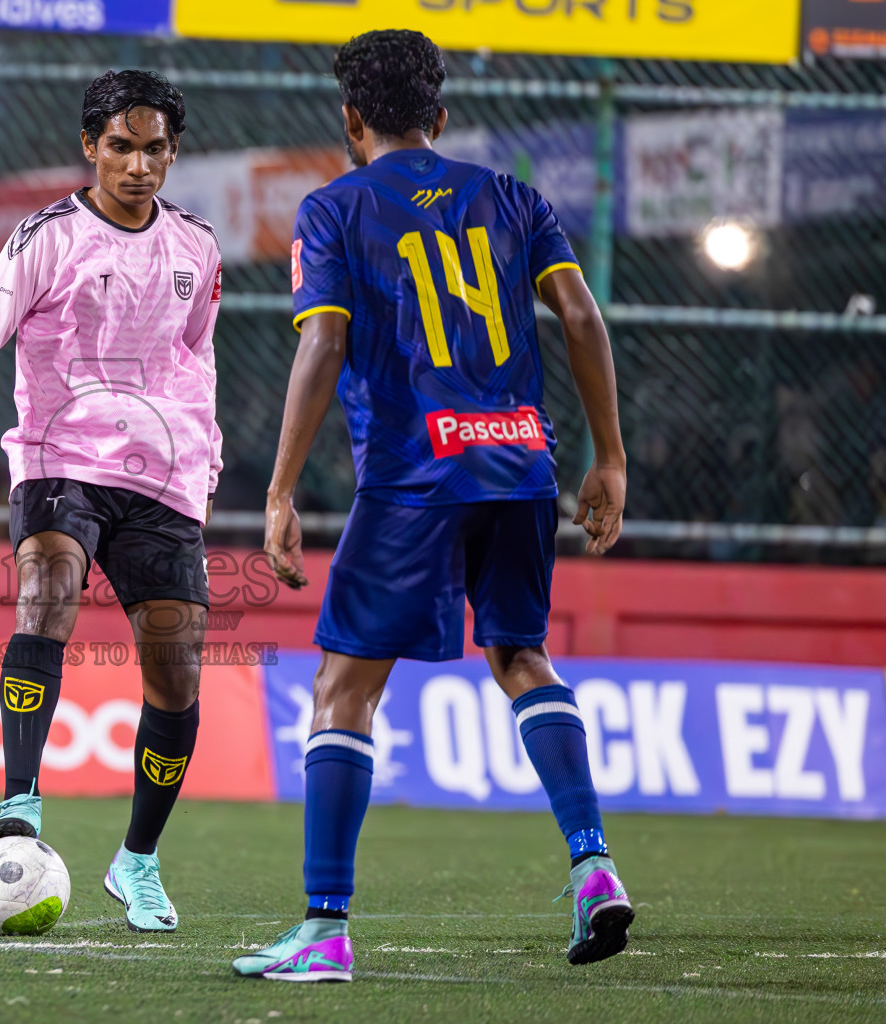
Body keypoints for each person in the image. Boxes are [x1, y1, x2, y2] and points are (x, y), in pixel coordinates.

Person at [232, 30, 632, 982]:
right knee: (521, 655)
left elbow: (322, 345)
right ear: (441, 117)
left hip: (415, 476)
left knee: (343, 689)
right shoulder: (513, 196)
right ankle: (594, 868)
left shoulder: (332, 208)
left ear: (351, 120)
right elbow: (580, 314)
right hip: (522, 467)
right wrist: (608, 458)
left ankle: (325, 930)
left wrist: (281, 489)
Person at [0, 70, 223, 933]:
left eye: (154, 148)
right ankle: (20, 802)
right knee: (48, 587)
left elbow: (197, 362)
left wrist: (204, 465)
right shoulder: (46, 238)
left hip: (163, 477)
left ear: (172, 153)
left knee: (177, 665)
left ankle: (138, 862)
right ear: (91, 147)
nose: (138, 165)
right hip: (61, 460)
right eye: (121, 147)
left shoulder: (196, 248)